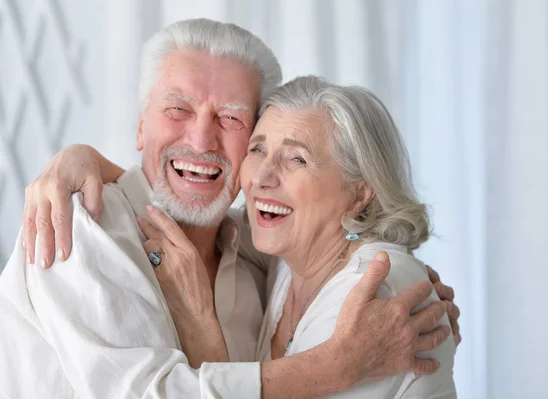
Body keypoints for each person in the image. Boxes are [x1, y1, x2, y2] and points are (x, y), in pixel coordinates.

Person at [2, 18, 458, 398]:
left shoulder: (268, 260)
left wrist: (202, 326)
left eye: (232, 119)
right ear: (141, 128)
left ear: (362, 191)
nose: (201, 141)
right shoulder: (77, 225)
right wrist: (336, 364)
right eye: (177, 109)